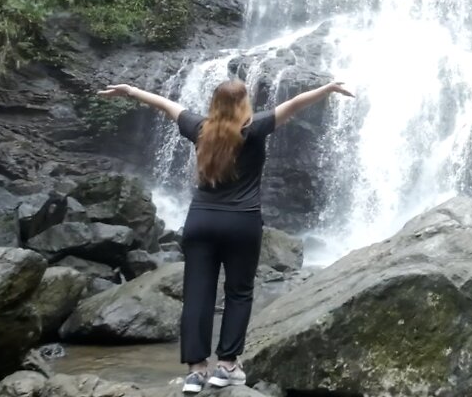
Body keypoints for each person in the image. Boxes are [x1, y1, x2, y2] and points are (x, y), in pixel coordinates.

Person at [98, 78, 355, 393]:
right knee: (239, 293)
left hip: (200, 222)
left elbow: (165, 105)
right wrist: (327, 89)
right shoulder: (255, 128)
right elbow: (295, 104)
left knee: (197, 294)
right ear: (244, 104)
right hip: (241, 223)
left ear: (215, 104)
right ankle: (226, 366)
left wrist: (131, 91)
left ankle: (195, 372)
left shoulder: (200, 128)